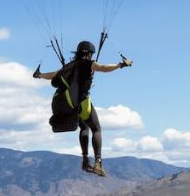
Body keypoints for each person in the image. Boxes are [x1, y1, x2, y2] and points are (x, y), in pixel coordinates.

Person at [34, 40, 132, 177]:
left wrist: (39, 75)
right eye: (91, 54)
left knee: (84, 128)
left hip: (73, 105)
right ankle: (98, 162)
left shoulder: (69, 66)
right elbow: (103, 68)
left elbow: (52, 75)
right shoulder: (88, 64)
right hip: (84, 103)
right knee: (96, 128)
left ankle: (85, 161)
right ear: (89, 54)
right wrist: (121, 65)